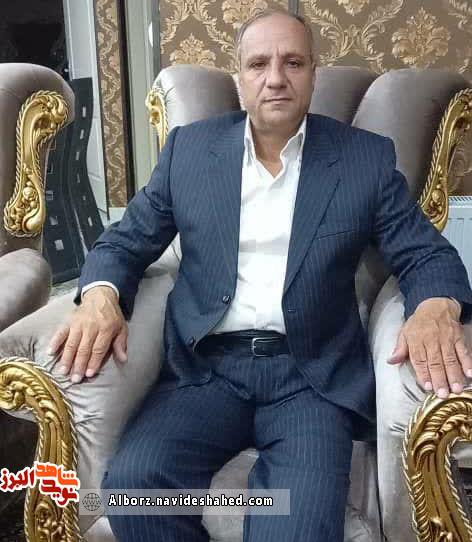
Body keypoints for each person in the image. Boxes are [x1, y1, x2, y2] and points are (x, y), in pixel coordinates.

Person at [48, 8, 472, 542]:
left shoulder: (362, 160)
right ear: (240, 78)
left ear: (313, 73)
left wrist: (434, 306)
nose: (275, 78)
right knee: (135, 489)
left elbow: (426, 254)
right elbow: (124, 242)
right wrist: (101, 297)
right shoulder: (190, 152)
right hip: (205, 373)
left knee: (298, 525)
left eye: (293, 62)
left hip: (310, 378)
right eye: (259, 64)